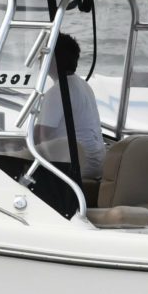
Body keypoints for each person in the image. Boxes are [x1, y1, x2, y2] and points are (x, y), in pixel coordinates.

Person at [32, 32, 105, 186]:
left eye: (43, 53)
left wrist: (8, 146)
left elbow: (39, 138)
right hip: (95, 162)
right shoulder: (83, 85)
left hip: (77, 163)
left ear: (53, 60)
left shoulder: (58, 92)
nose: (39, 58)